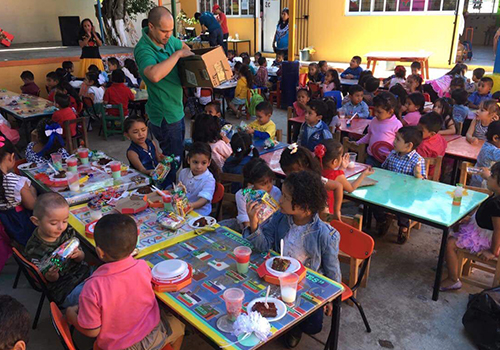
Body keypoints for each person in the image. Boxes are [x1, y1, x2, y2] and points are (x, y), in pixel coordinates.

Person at [243, 171, 341, 348]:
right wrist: (254, 222)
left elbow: (332, 269)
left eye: (286, 197)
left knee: (313, 325)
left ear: (304, 207)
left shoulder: (324, 234)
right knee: (254, 303)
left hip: (304, 287)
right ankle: (283, 325)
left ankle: (294, 328)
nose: (280, 200)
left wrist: (331, 298)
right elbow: (262, 247)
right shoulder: (280, 217)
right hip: (275, 279)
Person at [66, 214, 185, 350]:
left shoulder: (92, 287)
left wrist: (70, 315)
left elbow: (92, 331)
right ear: (135, 246)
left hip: (117, 346)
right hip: (146, 338)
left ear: (99, 252)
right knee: (179, 324)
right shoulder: (142, 266)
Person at [135, 6, 194, 187]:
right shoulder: (144, 49)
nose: (168, 35)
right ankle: (164, 191)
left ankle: (167, 187)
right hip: (164, 115)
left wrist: (182, 52)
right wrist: (177, 55)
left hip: (176, 109)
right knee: (171, 161)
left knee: (174, 157)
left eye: (170, 31)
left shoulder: (168, 40)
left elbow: (185, 48)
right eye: (164, 31)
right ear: (151, 27)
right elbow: (153, 74)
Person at [441, 161, 500, 291]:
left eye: (492, 176)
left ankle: (453, 279)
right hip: (480, 229)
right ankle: (452, 263)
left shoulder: (497, 205)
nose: (488, 177)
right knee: (456, 225)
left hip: (487, 239)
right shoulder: (497, 196)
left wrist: (492, 252)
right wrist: (471, 219)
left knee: (450, 243)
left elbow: (498, 230)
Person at [25, 193, 89, 306]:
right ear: (36, 221)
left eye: (64, 221)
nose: (61, 227)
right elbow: (48, 280)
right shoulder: (34, 250)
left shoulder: (67, 231)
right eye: (53, 223)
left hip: (84, 273)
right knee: (96, 299)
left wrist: (79, 254)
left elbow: (81, 258)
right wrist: (51, 275)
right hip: (64, 288)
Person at [376, 126, 426, 243]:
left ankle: (403, 228)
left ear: (409, 145)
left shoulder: (417, 160)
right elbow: (383, 170)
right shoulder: (393, 154)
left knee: (402, 209)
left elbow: (422, 184)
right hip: (389, 190)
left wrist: (418, 174)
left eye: (397, 139)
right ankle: (382, 221)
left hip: (405, 194)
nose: (394, 141)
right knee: (375, 203)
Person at [279, 144, 343, 221]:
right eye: (287, 173)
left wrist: (336, 211)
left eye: (295, 172)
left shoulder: (315, 180)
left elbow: (338, 186)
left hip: (318, 219)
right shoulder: (289, 184)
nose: (292, 176)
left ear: (306, 166)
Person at [314, 140, 373, 213]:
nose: (342, 158)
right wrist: (363, 174)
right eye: (341, 156)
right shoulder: (338, 176)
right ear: (335, 161)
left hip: (315, 211)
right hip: (329, 213)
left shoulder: (314, 170)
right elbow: (350, 188)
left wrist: (341, 168)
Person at [0, 137, 36, 246]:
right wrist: (33, 190)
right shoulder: (16, 182)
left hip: (5, 225)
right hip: (19, 223)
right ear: (10, 158)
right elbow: (32, 205)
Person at [357, 92, 403, 167]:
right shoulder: (374, 121)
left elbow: (401, 142)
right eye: (375, 110)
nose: (375, 114)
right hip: (372, 158)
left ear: (390, 111)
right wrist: (357, 143)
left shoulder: (397, 124)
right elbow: (369, 136)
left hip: (388, 160)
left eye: (379, 112)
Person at [234, 158, 281, 230]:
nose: (269, 186)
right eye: (263, 184)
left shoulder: (275, 192)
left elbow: (279, 217)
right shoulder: (242, 195)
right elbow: (246, 222)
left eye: (271, 181)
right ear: (251, 185)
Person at [178, 142, 218, 216]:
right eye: (195, 162)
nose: (199, 166)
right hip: (182, 210)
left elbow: (203, 200)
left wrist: (191, 206)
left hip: (200, 214)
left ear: (209, 163)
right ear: (188, 160)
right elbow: (179, 191)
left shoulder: (209, 179)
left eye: (203, 163)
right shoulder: (183, 173)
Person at [416, 112, 447, 178]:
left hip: (424, 175)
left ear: (432, 133)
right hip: (436, 173)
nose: (417, 130)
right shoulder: (440, 138)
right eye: (417, 127)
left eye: (422, 130)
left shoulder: (422, 146)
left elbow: (418, 164)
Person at [471, 121, 500, 187]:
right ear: (495, 138)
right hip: (483, 185)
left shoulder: (487, 145)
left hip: (478, 180)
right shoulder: (491, 150)